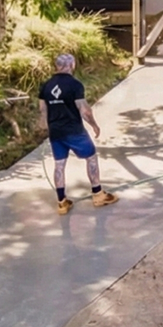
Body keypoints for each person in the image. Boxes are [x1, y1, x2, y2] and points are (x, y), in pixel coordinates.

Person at [38, 53, 118, 215]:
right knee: (91, 158)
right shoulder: (75, 85)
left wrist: (47, 128)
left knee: (59, 165)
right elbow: (84, 110)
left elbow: (42, 110)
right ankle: (98, 195)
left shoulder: (45, 86)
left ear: (56, 66)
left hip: (56, 132)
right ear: (72, 65)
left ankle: (62, 202)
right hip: (74, 131)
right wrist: (94, 125)